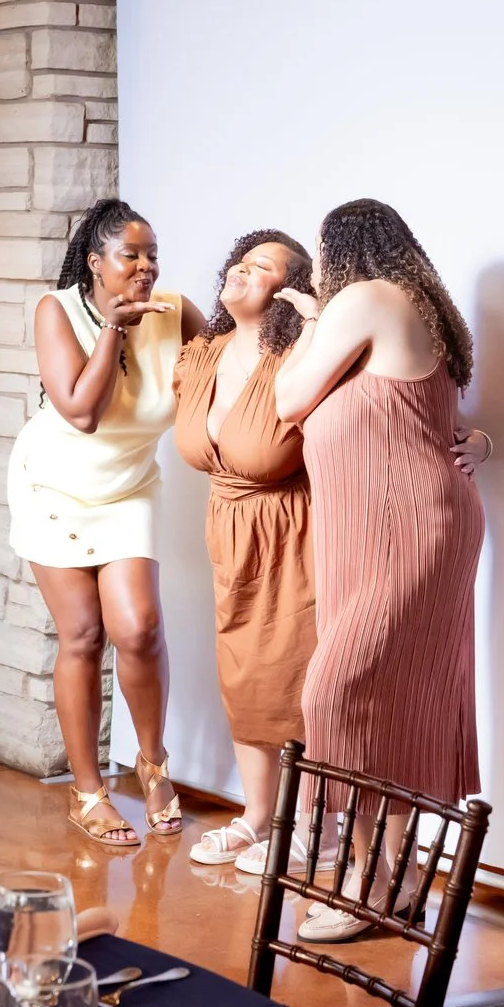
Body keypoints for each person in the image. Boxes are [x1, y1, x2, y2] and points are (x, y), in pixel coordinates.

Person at [274, 198, 491, 942]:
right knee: (385, 700)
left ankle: (372, 885)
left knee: (339, 692)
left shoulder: (363, 300)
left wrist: (308, 323)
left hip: (405, 530)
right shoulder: (417, 306)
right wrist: (482, 442)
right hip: (384, 530)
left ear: (341, 253)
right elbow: (434, 420)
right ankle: (388, 883)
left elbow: (287, 398)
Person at [7, 198, 195, 848]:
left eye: (151, 256)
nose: (144, 268)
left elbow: (235, 361)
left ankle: (153, 763)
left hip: (129, 488)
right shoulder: (57, 311)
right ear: (96, 261)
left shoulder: (175, 312)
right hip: (54, 486)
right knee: (84, 635)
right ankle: (88, 792)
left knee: (138, 628)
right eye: (129, 256)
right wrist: (113, 329)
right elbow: (81, 413)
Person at [174, 230, 321, 875]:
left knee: (294, 677)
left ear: (289, 292)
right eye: (239, 259)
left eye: (262, 266)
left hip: (295, 534)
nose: (240, 269)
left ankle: (311, 827)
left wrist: (475, 439)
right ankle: (259, 818)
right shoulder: (205, 353)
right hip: (229, 534)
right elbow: (169, 310)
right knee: (242, 676)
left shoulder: (301, 355)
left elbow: (385, 405)